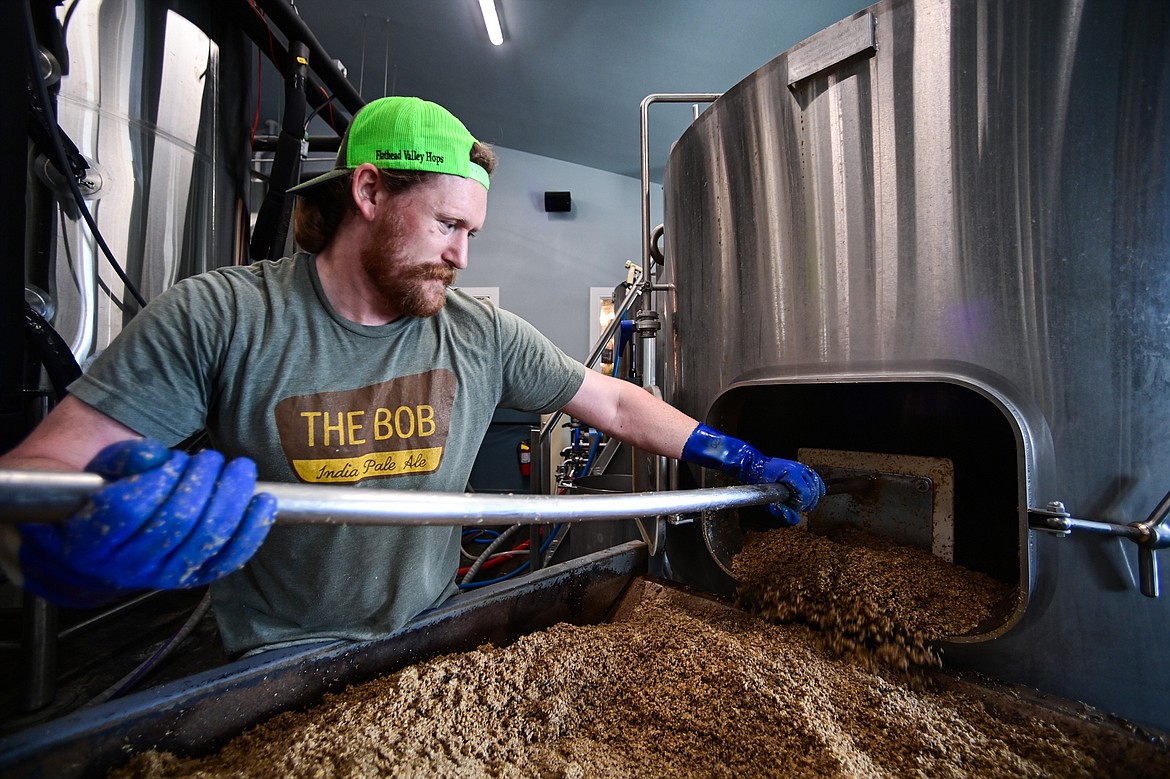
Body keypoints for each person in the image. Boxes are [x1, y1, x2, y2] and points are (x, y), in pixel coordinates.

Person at [0, 96, 824, 656]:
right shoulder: (219, 317)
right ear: (368, 189)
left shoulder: (478, 332)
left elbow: (607, 396)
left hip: (430, 638)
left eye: (474, 232)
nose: (463, 256)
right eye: (447, 224)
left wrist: (734, 454)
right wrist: (67, 540)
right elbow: (34, 473)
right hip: (269, 657)